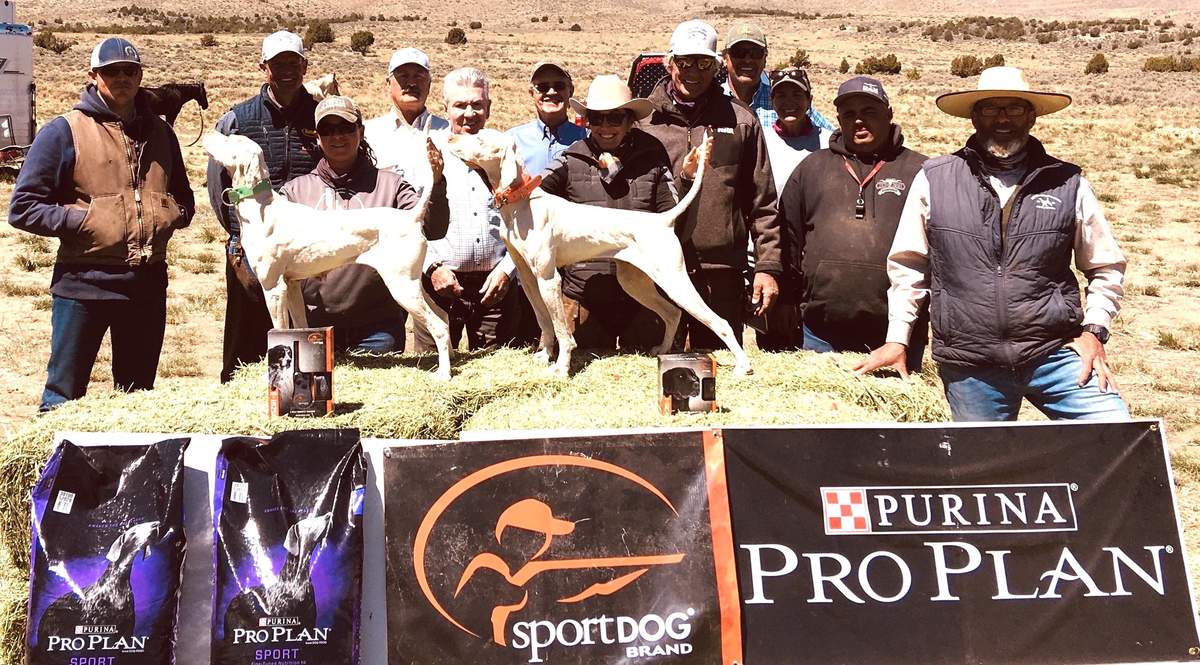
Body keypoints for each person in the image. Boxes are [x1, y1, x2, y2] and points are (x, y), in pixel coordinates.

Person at [854, 67, 1130, 422]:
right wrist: (898, 339)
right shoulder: (936, 179)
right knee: (982, 469)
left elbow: (1106, 266)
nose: (1003, 119)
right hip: (971, 364)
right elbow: (908, 267)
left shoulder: (1067, 183)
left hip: (1055, 354)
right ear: (973, 116)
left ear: (1031, 116)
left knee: (1116, 433)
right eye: (990, 109)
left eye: (1014, 108)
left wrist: (1094, 331)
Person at [9, 37, 194, 411]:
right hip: (83, 286)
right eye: (111, 71)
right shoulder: (64, 131)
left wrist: (171, 213)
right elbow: (23, 207)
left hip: (147, 284)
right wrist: (85, 220)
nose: (121, 78)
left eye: (130, 70)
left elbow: (184, 197)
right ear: (94, 75)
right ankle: (56, 468)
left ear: (141, 76)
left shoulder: (161, 133)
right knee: (64, 395)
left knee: (137, 400)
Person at [641, 19, 782, 350]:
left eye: (704, 63)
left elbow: (763, 202)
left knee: (717, 373)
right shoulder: (645, 123)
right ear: (669, 63)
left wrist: (767, 266)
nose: (693, 71)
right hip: (657, 270)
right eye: (685, 62)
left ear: (717, 66)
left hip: (720, 274)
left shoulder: (741, 121)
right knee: (654, 368)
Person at [779, 76, 929, 366]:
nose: (858, 121)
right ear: (838, 119)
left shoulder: (921, 171)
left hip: (897, 335)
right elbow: (788, 238)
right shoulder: (812, 168)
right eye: (849, 114)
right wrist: (786, 296)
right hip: (820, 332)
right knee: (824, 411)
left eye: (869, 111)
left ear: (889, 113)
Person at [539, 74, 696, 351]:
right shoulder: (569, 159)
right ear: (586, 121)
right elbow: (534, 201)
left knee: (645, 384)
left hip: (644, 302)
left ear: (630, 120)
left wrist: (687, 180)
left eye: (615, 118)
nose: (605, 127)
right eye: (596, 119)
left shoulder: (652, 156)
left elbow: (671, 217)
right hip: (582, 300)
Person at [279, 95, 446, 353]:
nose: (337, 137)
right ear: (317, 136)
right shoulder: (294, 193)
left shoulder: (392, 186)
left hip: (377, 330)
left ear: (361, 131)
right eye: (328, 129)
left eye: (346, 128)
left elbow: (433, 229)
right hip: (314, 328)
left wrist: (436, 185)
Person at [207, 30, 321, 383]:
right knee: (247, 339)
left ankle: (300, 404)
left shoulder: (322, 118)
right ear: (263, 68)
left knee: (304, 336)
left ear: (305, 65)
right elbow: (217, 187)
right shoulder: (238, 120)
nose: (287, 69)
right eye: (277, 63)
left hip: (307, 246)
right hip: (251, 246)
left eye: (293, 62)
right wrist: (239, 237)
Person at [414, 67, 523, 352]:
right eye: (460, 105)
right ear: (446, 108)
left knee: (497, 371)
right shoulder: (427, 150)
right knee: (433, 367)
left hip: (495, 284)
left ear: (489, 107)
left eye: (477, 104)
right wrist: (432, 268)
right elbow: (411, 221)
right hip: (439, 281)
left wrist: (507, 271)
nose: (469, 113)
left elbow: (523, 218)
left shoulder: (505, 149)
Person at [756, 66, 832, 351]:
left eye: (796, 94)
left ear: (809, 99)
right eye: (781, 95)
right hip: (774, 251)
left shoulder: (828, 142)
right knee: (775, 335)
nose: (789, 102)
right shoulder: (761, 139)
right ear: (771, 102)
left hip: (816, 255)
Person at [719, 22, 834, 133]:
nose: (748, 60)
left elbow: (833, 136)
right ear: (725, 58)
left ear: (765, 59)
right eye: (739, 52)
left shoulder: (783, 98)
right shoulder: (713, 99)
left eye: (756, 53)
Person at [364, 47, 449, 184]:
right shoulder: (368, 133)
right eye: (403, 76)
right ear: (388, 84)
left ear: (429, 84)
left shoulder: (448, 133)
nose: (411, 83)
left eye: (419, 76)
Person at [508, 61, 588, 175]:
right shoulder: (512, 141)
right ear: (531, 93)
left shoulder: (587, 138)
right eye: (542, 87)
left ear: (570, 91)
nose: (551, 92)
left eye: (559, 86)